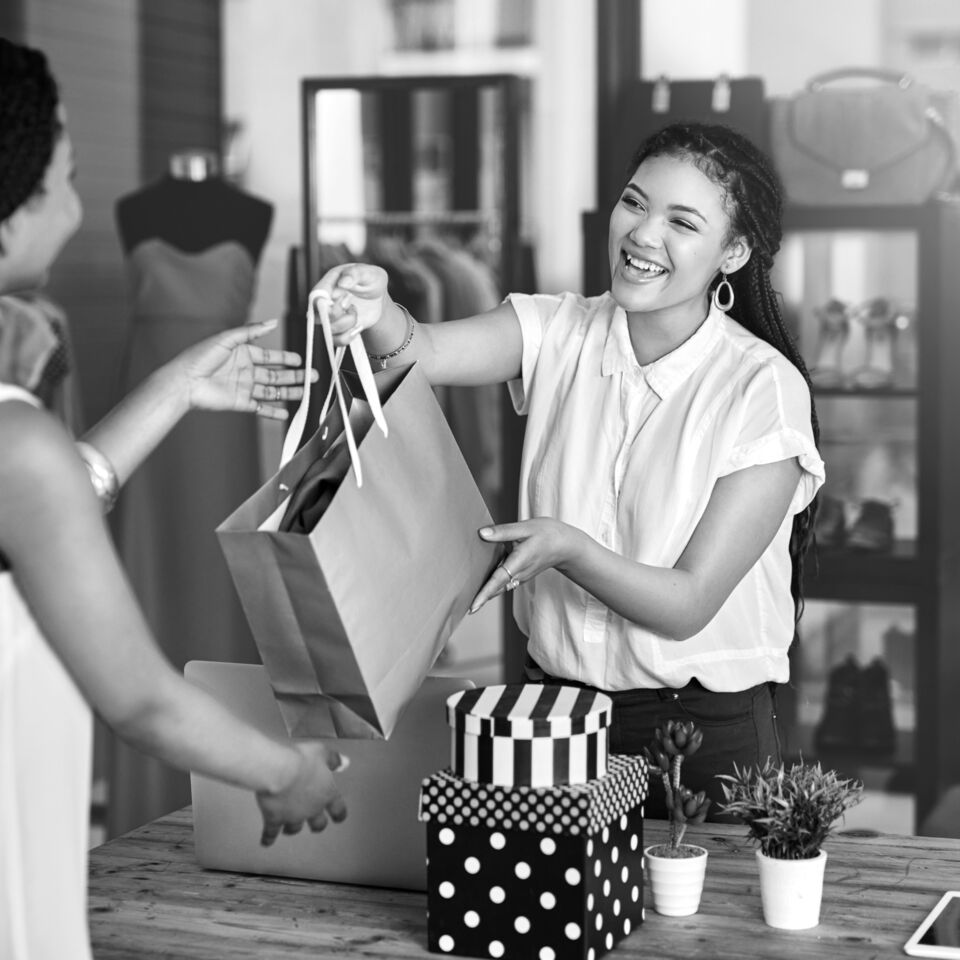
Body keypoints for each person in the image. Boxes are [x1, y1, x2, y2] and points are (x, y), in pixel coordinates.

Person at [318, 121, 824, 819]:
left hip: (703, 734)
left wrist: (568, 548)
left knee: (699, 898)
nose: (643, 234)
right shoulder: (555, 328)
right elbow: (421, 352)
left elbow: (688, 603)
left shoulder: (761, 387)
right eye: (634, 203)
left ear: (732, 252)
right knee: (552, 895)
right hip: (554, 714)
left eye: (682, 222)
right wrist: (376, 310)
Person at [0, 38, 346, 960]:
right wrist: (285, 771)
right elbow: (140, 700)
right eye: (65, 178)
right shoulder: (18, 444)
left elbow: (51, 491)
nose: (79, 206)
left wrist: (180, 385)